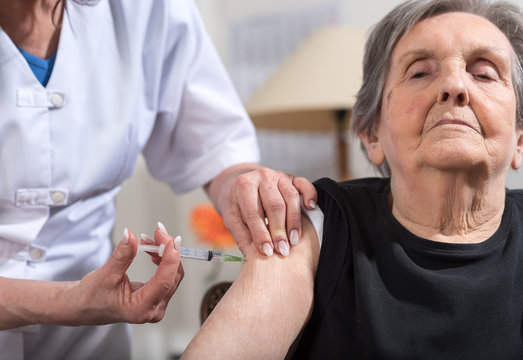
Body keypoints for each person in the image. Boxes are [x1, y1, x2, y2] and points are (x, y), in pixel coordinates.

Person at [182, 0, 523, 358]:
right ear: (371, 134)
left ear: (522, 136)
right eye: (419, 72)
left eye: (484, 73)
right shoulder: (316, 224)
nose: (454, 86)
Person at [0, 0, 316, 359]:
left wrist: (243, 187)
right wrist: (70, 302)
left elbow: (217, 147)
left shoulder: (149, 9)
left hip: (92, 344)